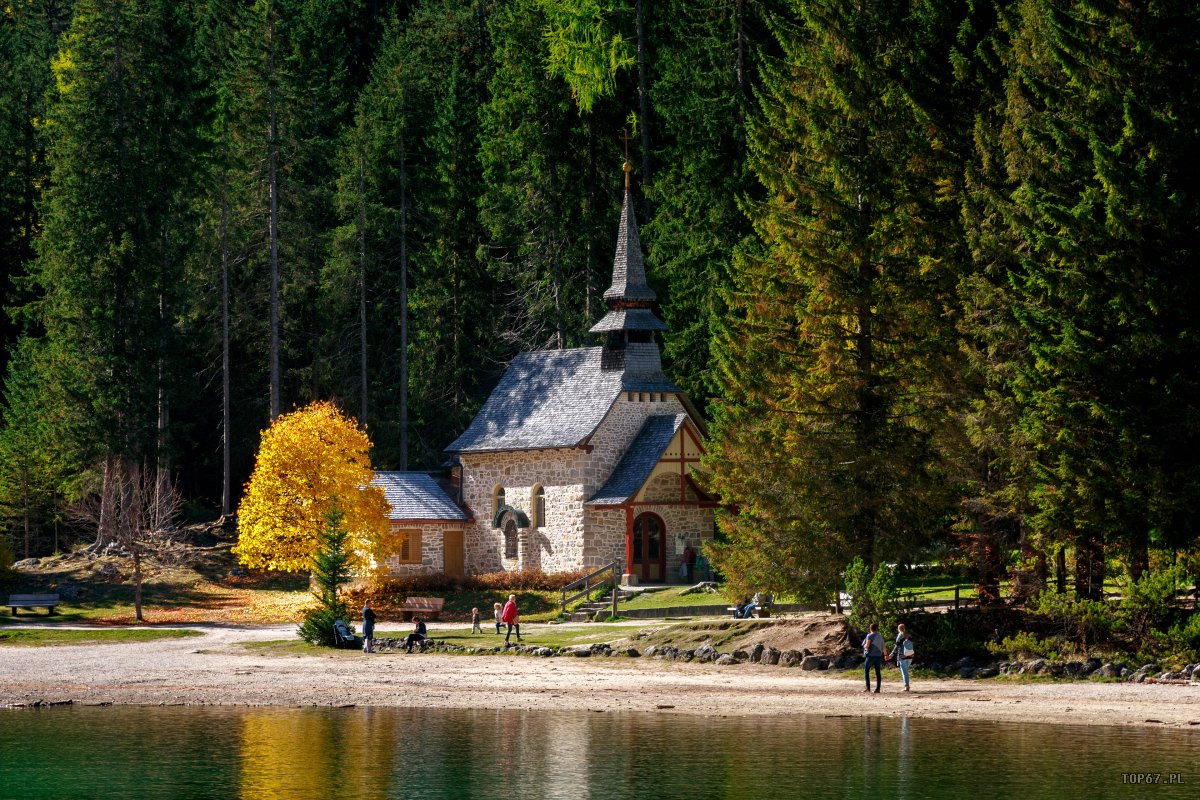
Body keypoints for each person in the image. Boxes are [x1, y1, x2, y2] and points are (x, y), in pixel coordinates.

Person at [888, 623, 914, 692]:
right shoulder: (909, 635)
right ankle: (906, 685)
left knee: (904, 672)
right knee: (906, 671)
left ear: (898, 629)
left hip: (902, 657)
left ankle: (906, 686)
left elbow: (896, 647)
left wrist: (891, 655)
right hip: (910, 656)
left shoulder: (899, 636)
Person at [862, 622, 885, 693]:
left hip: (870, 656)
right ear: (877, 628)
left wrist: (864, 645)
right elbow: (883, 646)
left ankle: (868, 688)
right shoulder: (880, 636)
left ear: (870, 628)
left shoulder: (869, 636)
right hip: (878, 656)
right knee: (878, 672)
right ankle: (878, 689)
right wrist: (886, 655)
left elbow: (867, 645)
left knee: (866, 671)